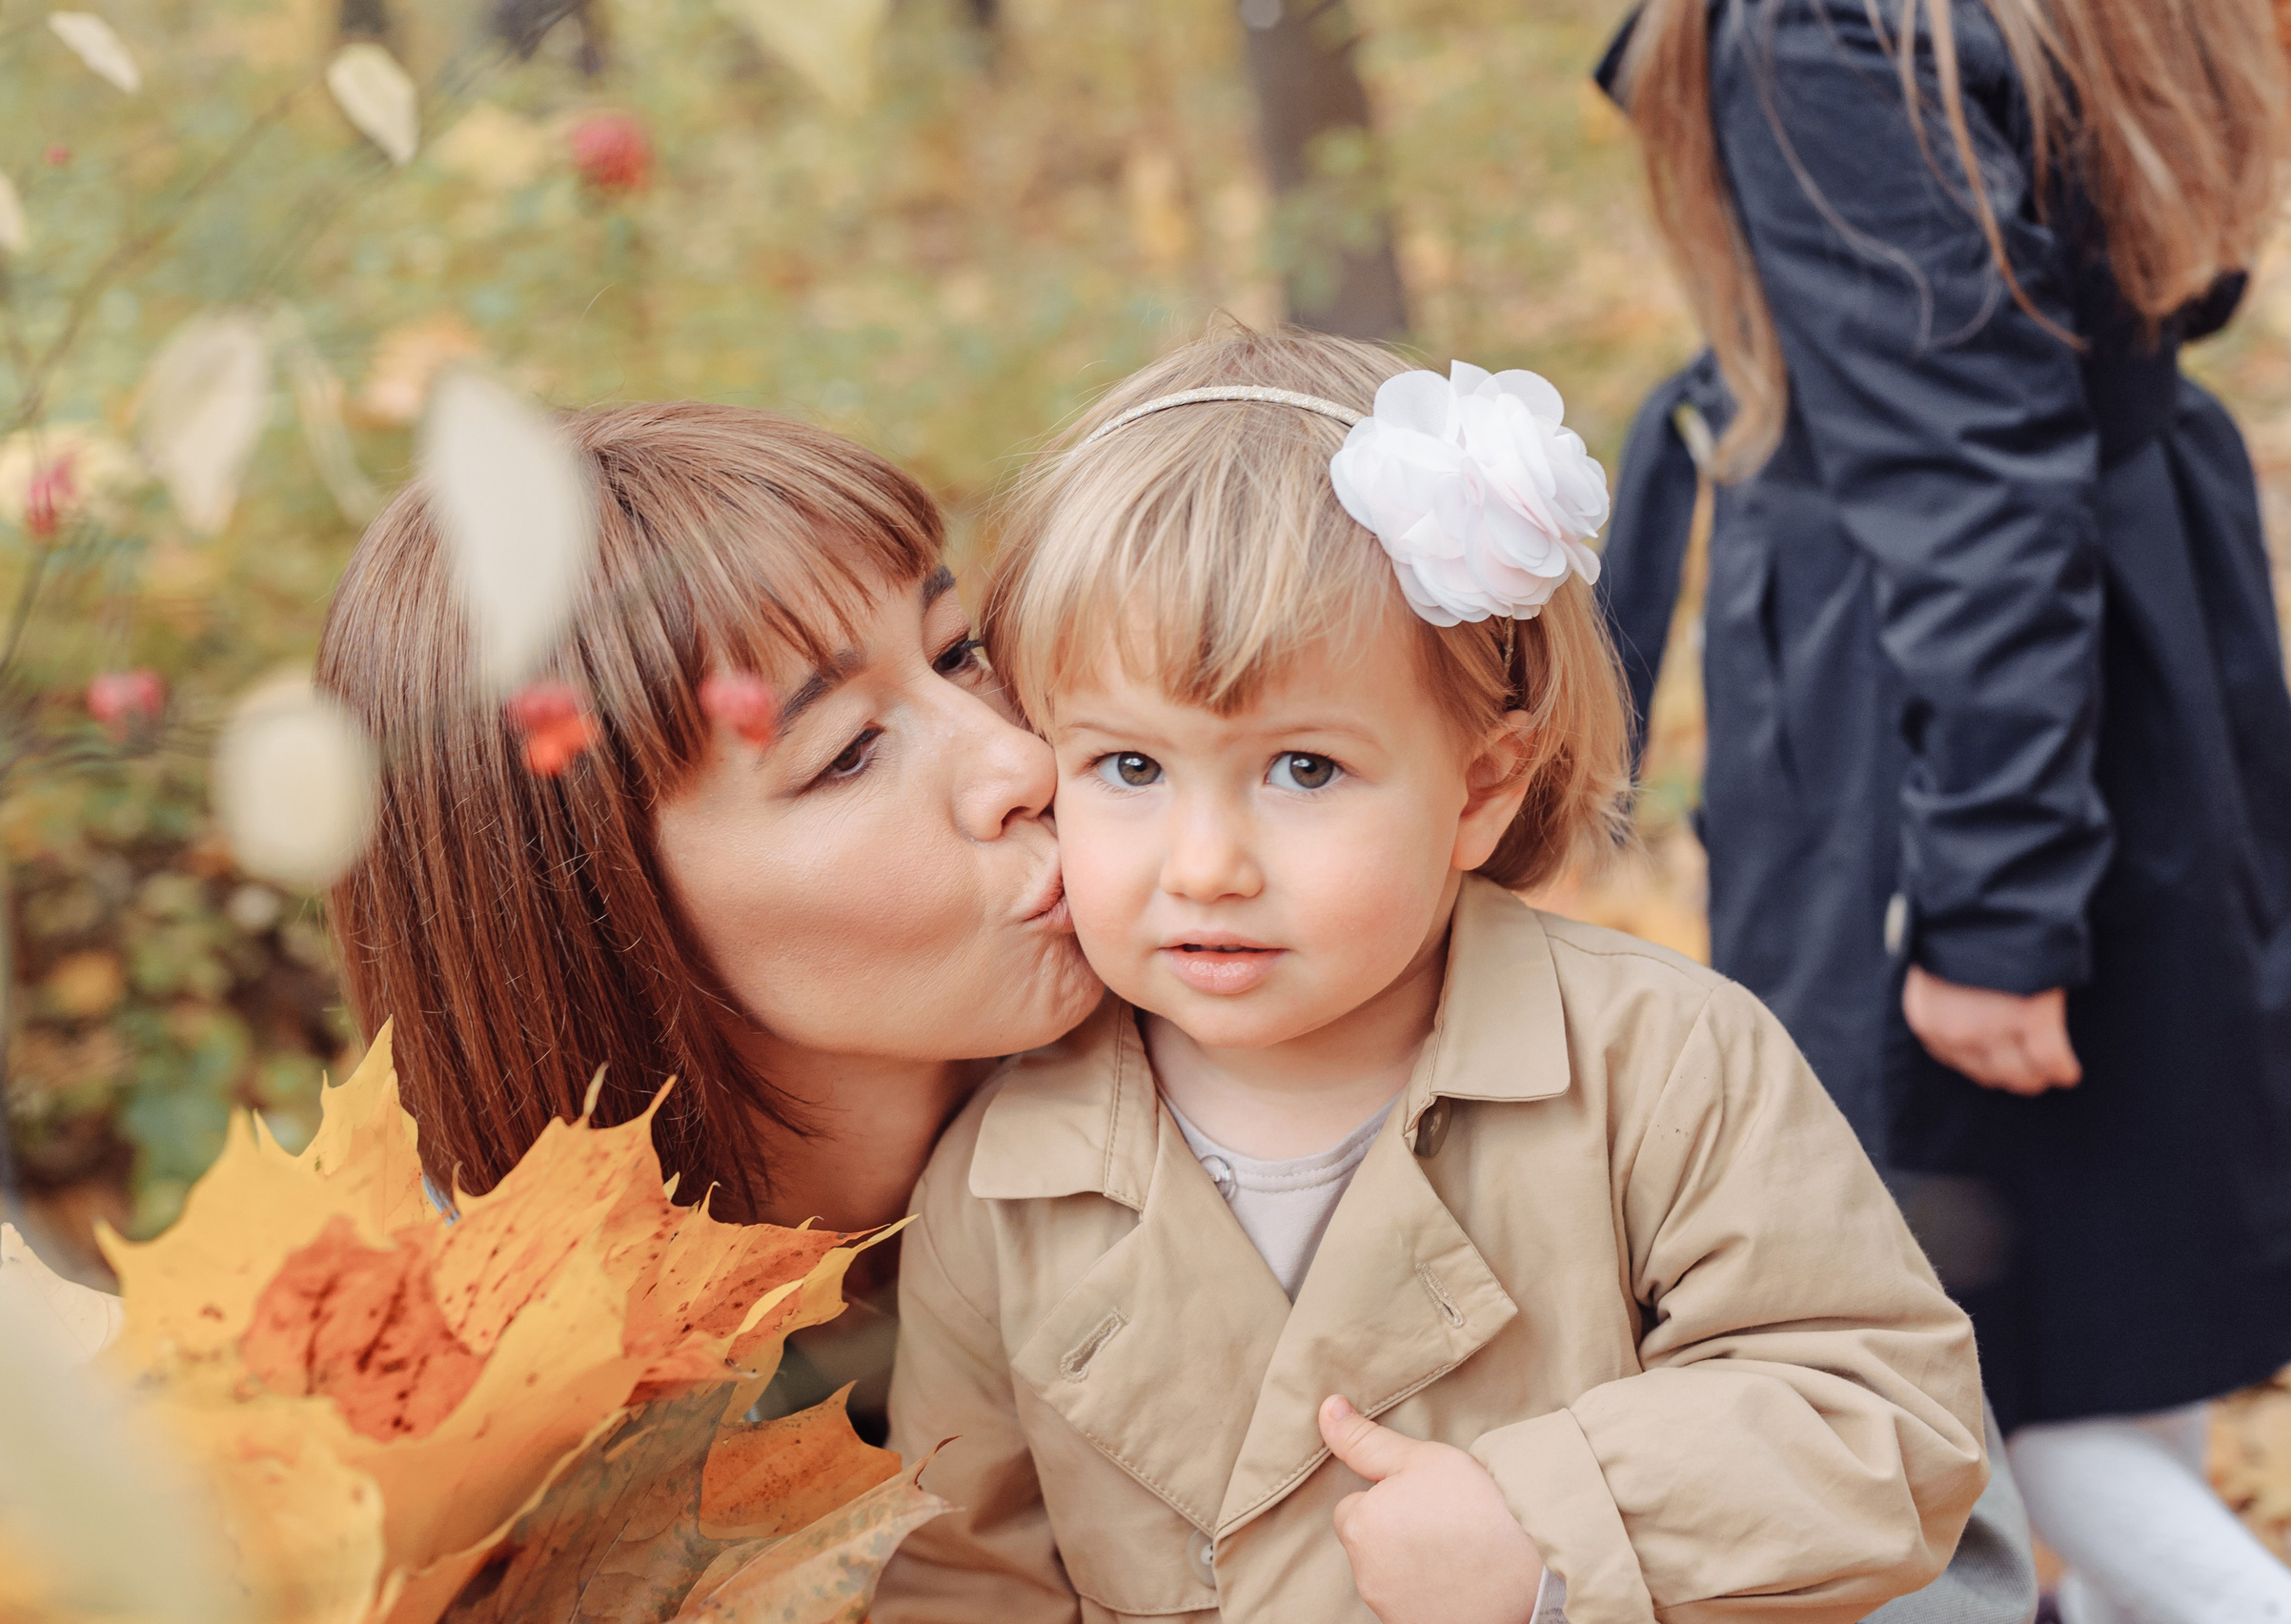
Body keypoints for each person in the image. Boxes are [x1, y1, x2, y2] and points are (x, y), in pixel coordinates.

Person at [875, 327, 1988, 1624]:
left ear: (1479, 788)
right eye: (1129, 768)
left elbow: (1884, 1420)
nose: (1207, 865)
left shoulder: (1662, 1061)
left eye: (1304, 771)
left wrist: (1551, 1532)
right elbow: (962, 1583)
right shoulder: (1002, 1179)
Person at [1598, 3, 2291, 1620]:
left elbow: (1971, 485)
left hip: (1943, 732)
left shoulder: (1832, 29)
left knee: (1935, 1343)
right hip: (2127, 644)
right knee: (2109, 1288)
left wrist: (1994, 907)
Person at [315, 400, 1104, 1426]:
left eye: (958, 653)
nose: (1023, 760)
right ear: (596, 919)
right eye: (849, 752)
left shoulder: (1271, 1075)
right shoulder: (458, 1439)